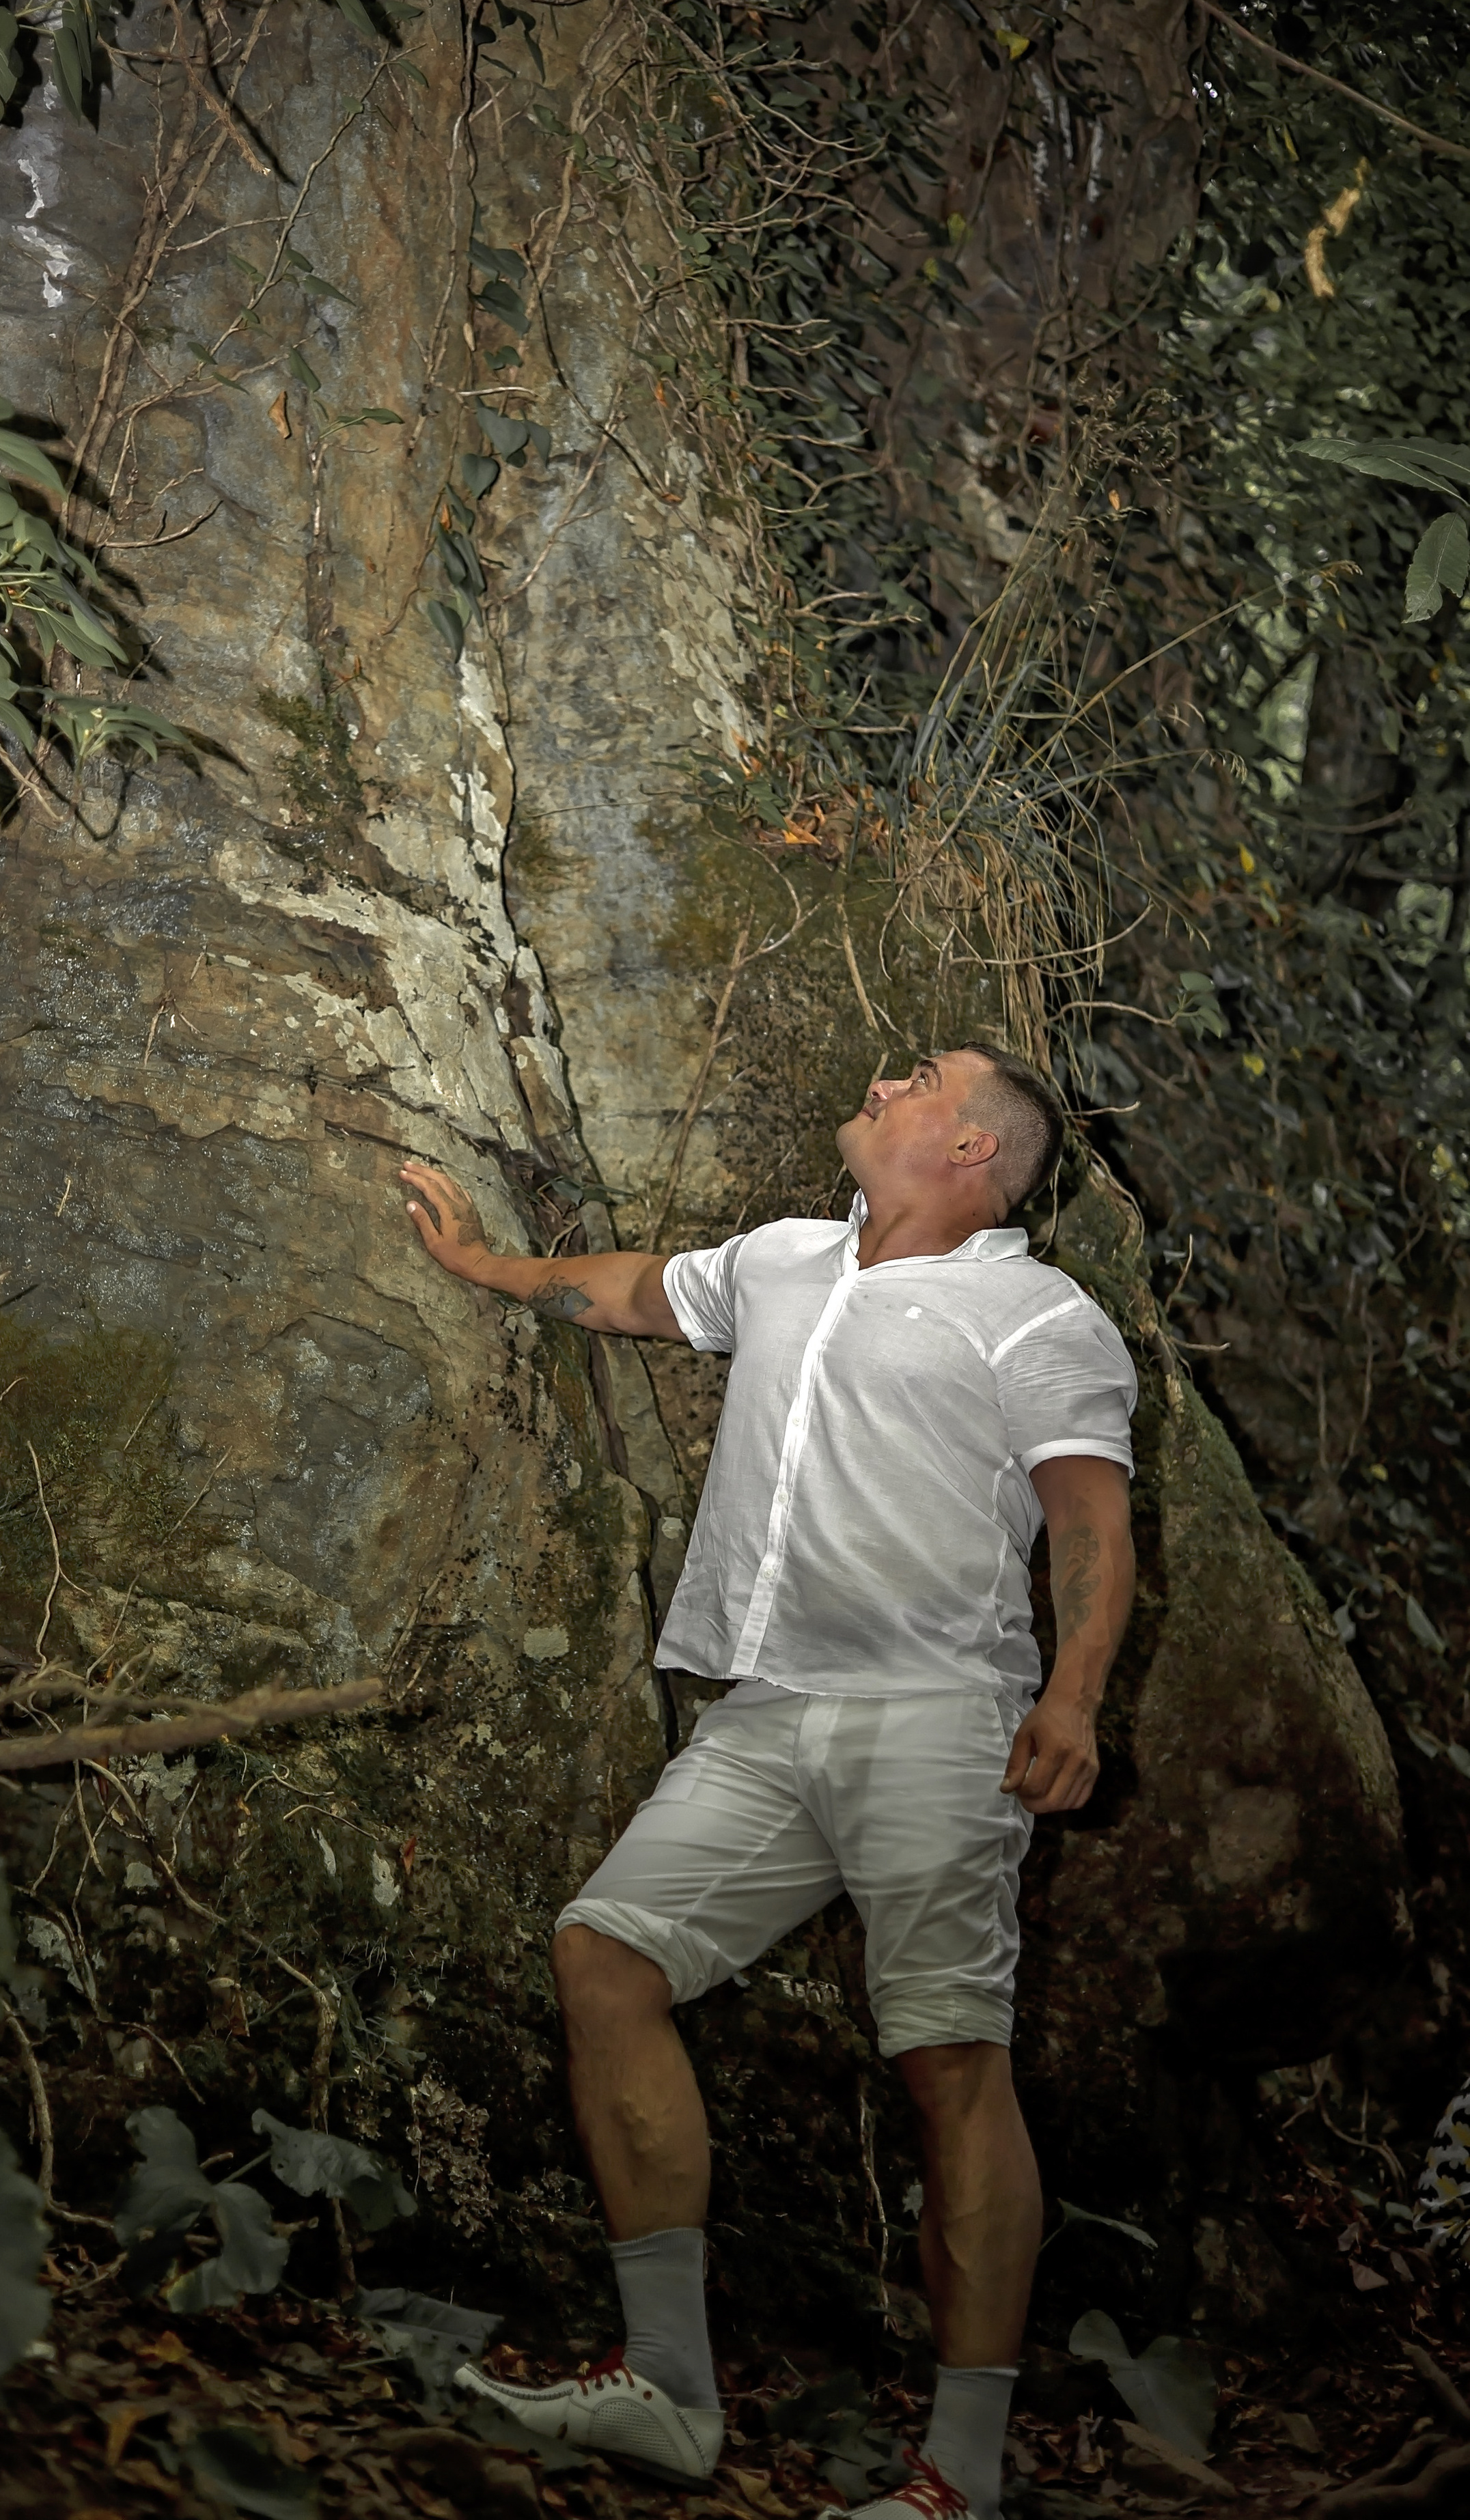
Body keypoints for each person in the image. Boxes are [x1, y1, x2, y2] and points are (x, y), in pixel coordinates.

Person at [398, 1046, 1137, 2520]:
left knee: (948, 2065)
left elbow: (1088, 1525)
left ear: (973, 1145)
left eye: (914, 1079)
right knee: (604, 1958)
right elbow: (623, 1290)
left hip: (935, 1720)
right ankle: (668, 2391)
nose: (879, 1083)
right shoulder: (783, 1260)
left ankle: (958, 2483)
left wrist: (1070, 1698)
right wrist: (481, 1264)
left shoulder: (1035, 1314)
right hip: (760, 1711)